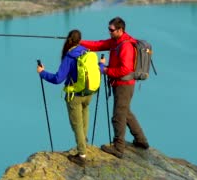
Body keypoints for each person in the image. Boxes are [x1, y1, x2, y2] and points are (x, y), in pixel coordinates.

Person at [80, 16, 149, 158]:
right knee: (125, 112)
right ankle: (141, 140)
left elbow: (125, 69)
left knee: (118, 116)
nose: (109, 32)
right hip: (121, 84)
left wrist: (106, 71)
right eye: (109, 29)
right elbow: (98, 45)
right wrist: (78, 42)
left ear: (120, 30)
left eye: (111, 30)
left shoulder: (125, 46)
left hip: (124, 85)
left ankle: (118, 148)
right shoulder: (115, 41)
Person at [37, 29, 101, 166]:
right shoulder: (88, 52)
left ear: (69, 40)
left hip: (75, 96)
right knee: (85, 115)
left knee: (76, 124)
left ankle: (82, 154)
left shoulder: (70, 57)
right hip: (89, 93)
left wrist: (42, 73)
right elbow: (97, 70)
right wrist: (101, 64)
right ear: (80, 40)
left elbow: (57, 79)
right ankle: (84, 141)